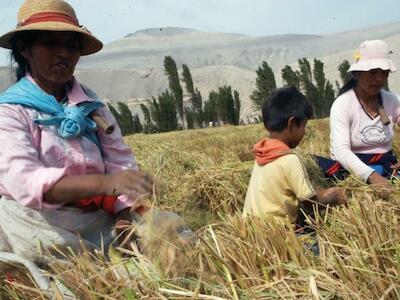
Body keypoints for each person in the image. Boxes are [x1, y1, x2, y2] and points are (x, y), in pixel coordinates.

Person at [0, 0, 153, 268]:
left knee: (168, 238)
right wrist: (103, 184)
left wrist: (125, 214)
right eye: (50, 43)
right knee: (70, 268)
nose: (63, 53)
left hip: (94, 218)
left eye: (71, 45)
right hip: (36, 222)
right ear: (24, 49)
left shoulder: (92, 106)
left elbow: (120, 160)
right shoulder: (11, 111)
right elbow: (25, 181)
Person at [243, 87, 346, 225]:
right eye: (303, 126)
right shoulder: (290, 160)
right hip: (278, 235)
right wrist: (334, 195)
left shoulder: (263, 153)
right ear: (292, 124)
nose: (304, 132)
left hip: (254, 230)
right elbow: (311, 203)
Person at [317, 40, 399, 189]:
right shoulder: (343, 105)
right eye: (373, 72)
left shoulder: (392, 100)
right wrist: (373, 176)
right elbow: (341, 152)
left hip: (386, 164)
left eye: (384, 73)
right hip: (353, 170)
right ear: (358, 74)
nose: (379, 78)